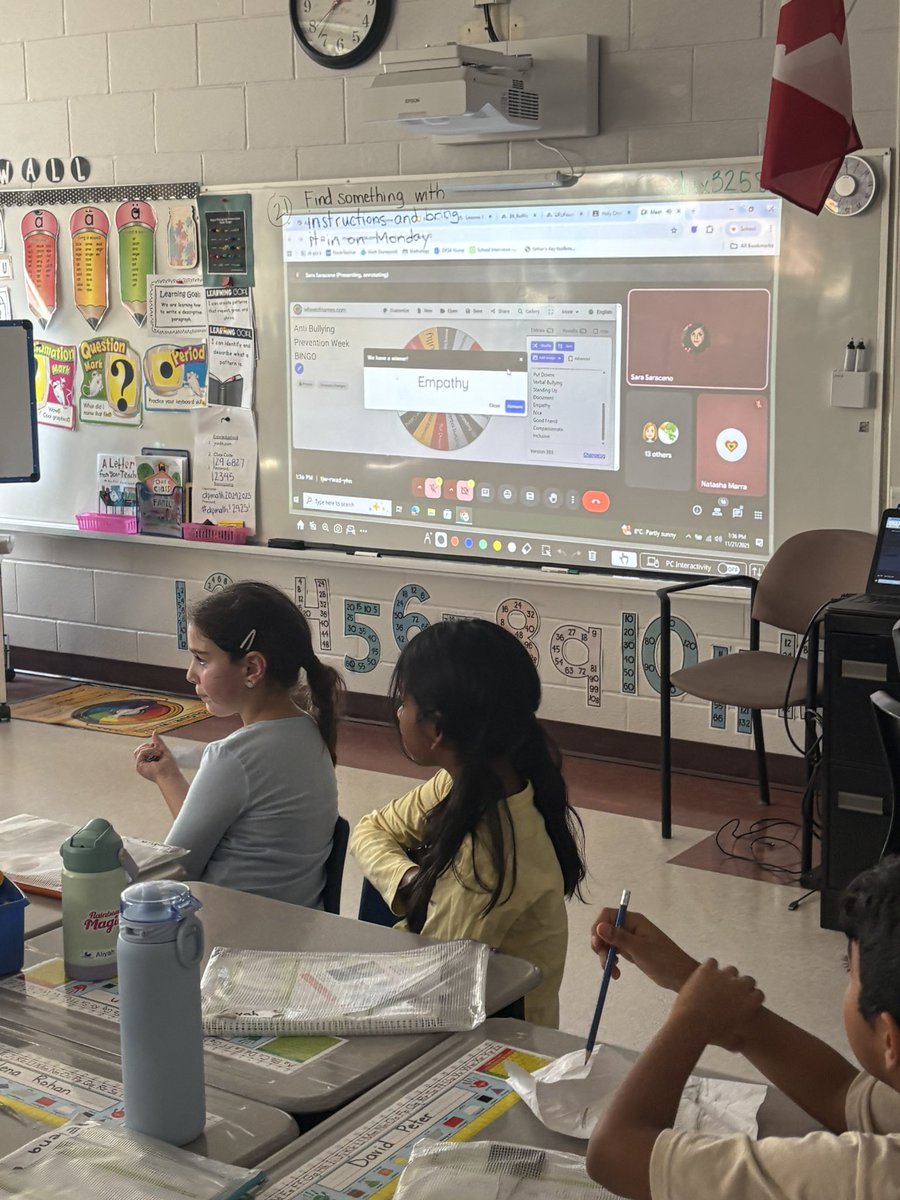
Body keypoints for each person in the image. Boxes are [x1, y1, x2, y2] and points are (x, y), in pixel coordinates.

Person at [585, 857, 900, 1199]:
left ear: (889, 1039)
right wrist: (688, 979)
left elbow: (615, 1155)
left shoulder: (872, 1175)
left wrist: (690, 1022)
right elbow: (840, 1094)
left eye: (849, 972)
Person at [349, 618, 587, 1028]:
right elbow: (370, 829)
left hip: (498, 1040)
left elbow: (432, 979)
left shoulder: (490, 862)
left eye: (404, 702)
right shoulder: (471, 779)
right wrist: (409, 879)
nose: (399, 713)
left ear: (436, 729)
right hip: (454, 1006)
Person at [134, 581, 342, 908]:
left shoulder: (234, 757)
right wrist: (167, 776)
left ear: (252, 668)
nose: (190, 674)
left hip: (233, 931)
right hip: (294, 929)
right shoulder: (310, 732)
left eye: (202, 659)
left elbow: (175, 869)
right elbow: (215, 836)